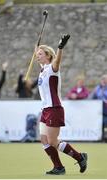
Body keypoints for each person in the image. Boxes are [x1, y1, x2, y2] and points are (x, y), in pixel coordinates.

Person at [35, 34, 88, 175]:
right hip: (45, 110)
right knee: (44, 140)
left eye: (40, 54)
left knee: (52, 141)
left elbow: (57, 60)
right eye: (37, 54)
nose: (37, 56)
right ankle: (59, 167)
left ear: (47, 55)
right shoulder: (42, 69)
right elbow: (37, 52)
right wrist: (37, 45)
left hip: (54, 109)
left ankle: (79, 157)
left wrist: (60, 47)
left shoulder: (53, 68)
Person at [89, 74, 107, 140]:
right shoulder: (97, 88)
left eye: (105, 80)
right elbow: (92, 97)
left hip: (106, 109)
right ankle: (101, 138)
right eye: (103, 80)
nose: (104, 82)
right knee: (100, 123)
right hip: (99, 110)